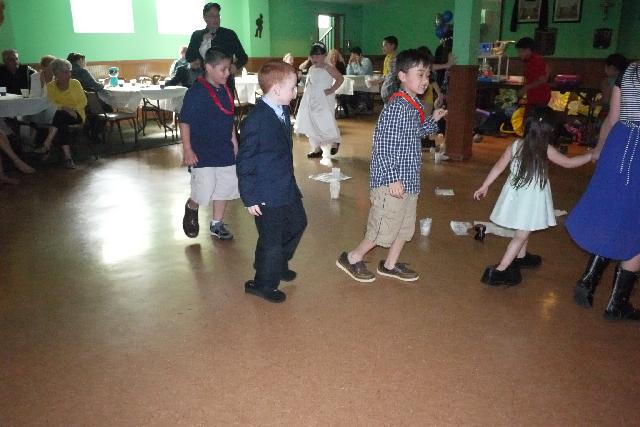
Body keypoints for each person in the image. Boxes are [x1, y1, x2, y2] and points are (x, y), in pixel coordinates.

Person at [336, 49, 447, 283]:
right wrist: (393, 178)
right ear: (402, 76)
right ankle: (352, 258)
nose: (425, 80)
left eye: (427, 75)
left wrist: (433, 120)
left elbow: (415, 133)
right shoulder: (397, 107)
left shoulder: (412, 104)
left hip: (408, 180)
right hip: (391, 183)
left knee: (404, 227)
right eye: (420, 74)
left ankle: (390, 264)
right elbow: (383, 146)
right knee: (382, 228)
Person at [473, 106, 593, 286]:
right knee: (521, 234)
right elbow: (568, 163)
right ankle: (500, 271)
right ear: (550, 130)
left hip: (514, 197)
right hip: (531, 201)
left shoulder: (516, 145)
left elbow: (498, 166)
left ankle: (521, 257)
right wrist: (590, 156)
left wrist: (485, 185)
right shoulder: (545, 148)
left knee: (524, 227)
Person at [566, 62, 640, 321]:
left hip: (619, 144)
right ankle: (617, 303)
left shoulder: (630, 70)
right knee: (635, 225)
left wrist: (599, 150)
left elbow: (612, 118)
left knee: (612, 217)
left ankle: (588, 281)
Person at [237, 60, 307, 303]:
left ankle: (275, 263)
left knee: (298, 223)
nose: (295, 92)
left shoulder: (281, 108)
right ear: (276, 90)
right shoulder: (255, 120)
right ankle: (263, 284)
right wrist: (250, 197)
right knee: (272, 239)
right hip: (265, 191)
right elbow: (244, 161)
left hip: (285, 185)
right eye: (292, 87)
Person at [180, 49, 239, 241]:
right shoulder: (196, 93)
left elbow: (229, 121)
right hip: (202, 151)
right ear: (208, 67)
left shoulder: (225, 91)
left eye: (228, 69)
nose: (227, 73)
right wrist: (187, 149)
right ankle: (192, 206)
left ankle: (217, 224)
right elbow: (185, 121)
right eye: (223, 69)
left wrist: (235, 145)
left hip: (224, 150)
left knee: (224, 187)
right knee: (204, 189)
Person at [294, 42, 344, 166]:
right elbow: (310, 83)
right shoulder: (311, 68)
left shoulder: (328, 67)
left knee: (325, 120)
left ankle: (335, 141)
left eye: (318, 56)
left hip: (324, 99)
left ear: (324, 56)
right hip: (311, 99)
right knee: (311, 122)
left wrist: (332, 89)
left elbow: (340, 78)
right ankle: (317, 148)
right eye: (313, 56)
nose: (315, 59)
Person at [185, 2, 248, 92]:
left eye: (217, 15)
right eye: (212, 16)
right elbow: (189, 57)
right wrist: (202, 42)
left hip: (225, 82)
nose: (216, 19)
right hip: (203, 81)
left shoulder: (229, 34)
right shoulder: (197, 35)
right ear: (205, 18)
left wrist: (235, 66)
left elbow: (243, 57)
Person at [37, 59, 87, 169]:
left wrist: (72, 110)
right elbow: (51, 103)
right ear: (56, 73)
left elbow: (83, 101)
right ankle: (68, 158)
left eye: (69, 71)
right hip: (60, 116)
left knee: (60, 117)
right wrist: (64, 108)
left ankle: (47, 144)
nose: (68, 74)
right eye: (65, 72)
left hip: (76, 115)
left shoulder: (75, 83)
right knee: (61, 120)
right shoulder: (50, 86)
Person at [515, 37, 551, 111]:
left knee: (532, 116)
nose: (519, 54)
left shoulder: (536, 61)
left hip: (539, 96)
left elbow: (542, 80)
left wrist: (525, 88)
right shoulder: (530, 60)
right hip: (535, 96)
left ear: (528, 50)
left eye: (520, 51)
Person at [346, 47, 374, 114]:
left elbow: (362, 73)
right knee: (349, 90)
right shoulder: (353, 62)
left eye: (354, 55)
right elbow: (349, 74)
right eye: (351, 55)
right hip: (356, 83)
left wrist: (358, 63)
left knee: (362, 90)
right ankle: (355, 107)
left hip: (367, 82)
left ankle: (368, 108)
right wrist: (349, 64)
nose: (353, 57)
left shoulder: (366, 61)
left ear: (360, 55)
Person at [379, 36, 399, 103]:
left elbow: (392, 76)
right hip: (387, 93)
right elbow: (386, 74)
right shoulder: (388, 57)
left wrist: (380, 80)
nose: (383, 48)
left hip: (392, 91)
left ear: (392, 46)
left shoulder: (395, 59)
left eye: (385, 45)